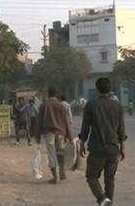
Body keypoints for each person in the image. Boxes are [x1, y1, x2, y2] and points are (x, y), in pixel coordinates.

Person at [79, 77, 127, 206]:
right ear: (110, 89)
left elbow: (85, 128)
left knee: (91, 176)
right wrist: (122, 147)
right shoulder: (117, 106)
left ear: (97, 89)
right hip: (113, 149)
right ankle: (108, 203)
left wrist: (81, 144)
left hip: (96, 150)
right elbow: (121, 129)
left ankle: (101, 199)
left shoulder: (91, 105)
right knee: (110, 179)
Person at [40, 87, 72, 184]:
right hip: (61, 132)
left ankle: (55, 177)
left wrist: (37, 134)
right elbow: (66, 122)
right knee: (60, 152)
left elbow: (39, 120)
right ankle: (62, 172)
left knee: (51, 154)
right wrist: (70, 136)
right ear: (56, 95)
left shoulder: (44, 105)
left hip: (49, 132)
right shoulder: (62, 106)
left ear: (48, 94)